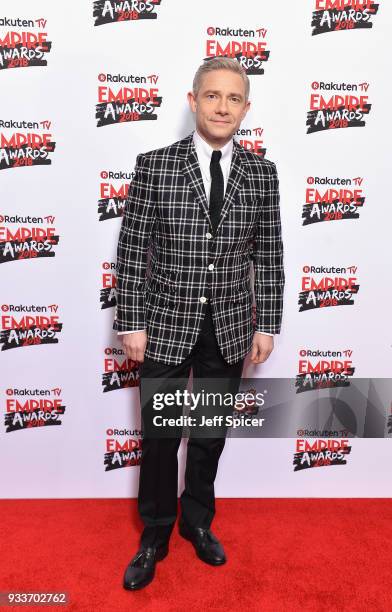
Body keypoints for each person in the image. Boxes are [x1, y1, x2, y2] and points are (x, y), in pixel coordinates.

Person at [113, 56, 285, 590]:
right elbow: (131, 249)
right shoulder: (155, 165)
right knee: (162, 435)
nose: (222, 107)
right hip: (163, 324)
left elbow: (270, 253)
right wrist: (131, 321)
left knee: (209, 435)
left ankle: (197, 521)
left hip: (230, 327)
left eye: (234, 99)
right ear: (193, 101)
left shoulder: (262, 172)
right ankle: (157, 530)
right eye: (213, 96)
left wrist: (267, 322)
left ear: (246, 109)